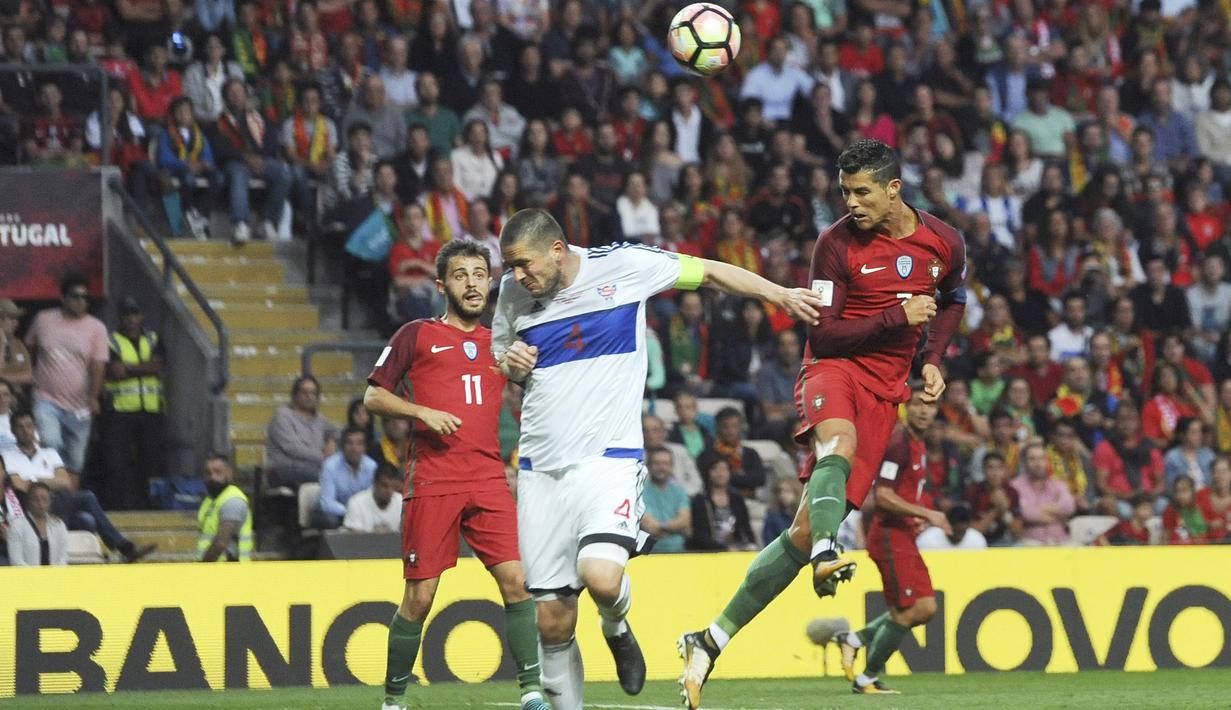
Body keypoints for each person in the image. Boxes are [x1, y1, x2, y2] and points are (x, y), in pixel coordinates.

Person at [493, 207, 821, 709]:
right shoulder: (515, 293)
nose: (517, 276)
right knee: (552, 620)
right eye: (511, 267)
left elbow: (708, 270)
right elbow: (502, 359)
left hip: (609, 460)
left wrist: (778, 293)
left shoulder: (625, 266)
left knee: (602, 578)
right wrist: (510, 363)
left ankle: (616, 623)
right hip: (541, 469)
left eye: (523, 264)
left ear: (557, 250)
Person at [679, 139, 965, 708]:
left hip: (886, 392)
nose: (851, 203)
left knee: (802, 530)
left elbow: (953, 298)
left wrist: (931, 358)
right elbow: (825, 333)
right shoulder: (834, 244)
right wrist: (896, 316)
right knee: (840, 441)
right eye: (843, 192)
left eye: (861, 192)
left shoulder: (944, 241)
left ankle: (709, 638)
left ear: (893, 189)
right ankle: (828, 550)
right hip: (833, 369)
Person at [366, 240, 547, 710]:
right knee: (420, 597)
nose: (472, 283)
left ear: (492, 282)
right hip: (433, 478)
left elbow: (528, 384)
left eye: (480, 274)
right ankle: (393, 700)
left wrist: (525, 371)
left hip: (488, 478)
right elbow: (373, 398)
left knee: (518, 582)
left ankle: (531, 692)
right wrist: (422, 412)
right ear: (442, 284)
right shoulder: (416, 334)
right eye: (462, 275)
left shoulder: (502, 342)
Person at [832, 385, 950, 695]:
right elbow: (882, 496)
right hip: (888, 536)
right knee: (907, 611)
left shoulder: (917, 444)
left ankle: (855, 639)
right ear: (906, 407)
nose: (924, 410)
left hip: (904, 535)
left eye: (931, 405)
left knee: (925, 608)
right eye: (918, 404)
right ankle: (867, 678)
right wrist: (927, 514)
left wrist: (915, 518)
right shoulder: (899, 442)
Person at [3, 411, 155, 562]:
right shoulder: (7, 456)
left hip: (58, 503)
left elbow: (65, 482)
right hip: (32, 507)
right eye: (20, 427)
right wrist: (50, 481)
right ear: (13, 430)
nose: (25, 430)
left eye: (29, 426)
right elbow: (20, 487)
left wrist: (32, 481)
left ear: (35, 427)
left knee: (87, 519)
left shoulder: (49, 453)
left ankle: (104, 557)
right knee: (87, 501)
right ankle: (125, 548)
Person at [24, 274, 109, 474]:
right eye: (76, 296)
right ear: (63, 298)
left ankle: (68, 501)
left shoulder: (96, 328)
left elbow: (98, 366)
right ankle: (47, 497)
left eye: (85, 298)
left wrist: (94, 398)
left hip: (80, 406)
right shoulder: (43, 319)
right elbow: (28, 349)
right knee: (49, 442)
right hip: (46, 398)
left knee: (76, 461)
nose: (81, 302)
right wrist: (30, 377)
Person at [208, 77, 292, 244]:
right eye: (231, 93)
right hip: (233, 163)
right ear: (225, 98)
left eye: (239, 92)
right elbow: (220, 151)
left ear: (246, 95)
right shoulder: (217, 124)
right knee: (238, 174)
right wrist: (246, 158)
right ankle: (240, 223)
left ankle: (266, 221)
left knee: (284, 173)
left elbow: (271, 144)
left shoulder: (259, 119)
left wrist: (260, 158)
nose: (236, 96)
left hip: (260, 162)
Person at [99, 297, 164, 510]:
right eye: (127, 314)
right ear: (120, 317)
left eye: (135, 313)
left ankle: (150, 506)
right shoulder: (111, 341)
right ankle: (117, 507)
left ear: (142, 315)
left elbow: (157, 366)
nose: (131, 319)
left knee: (151, 462)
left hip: (151, 410)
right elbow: (115, 372)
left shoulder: (154, 338)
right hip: (121, 410)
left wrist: (129, 368)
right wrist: (141, 367)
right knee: (117, 463)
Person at [263, 375, 340, 488]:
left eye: (313, 393)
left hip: (313, 467)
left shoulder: (320, 419)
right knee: (329, 476)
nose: (309, 396)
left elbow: (337, 433)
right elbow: (293, 449)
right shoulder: (282, 416)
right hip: (283, 468)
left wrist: (331, 440)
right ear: (295, 395)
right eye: (304, 392)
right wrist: (323, 457)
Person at [1012, 441, 1077, 544]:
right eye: (1032, 459)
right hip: (1031, 542)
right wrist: (1058, 515)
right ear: (1024, 462)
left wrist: (1039, 508)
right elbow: (1027, 513)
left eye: (1041, 458)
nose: (1037, 463)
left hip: (1061, 540)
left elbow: (1069, 507)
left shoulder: (1058, 484)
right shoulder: (1015, 486)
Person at [314, 426, 377, 529]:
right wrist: (352, 512)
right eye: (350, 443)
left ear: (365, 447)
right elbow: (327, 503)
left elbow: (371, 498)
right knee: (331, 520)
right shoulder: (330, 466)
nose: (354, 448)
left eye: (359, 443)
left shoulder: (372, 466)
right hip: (333, 513)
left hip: (361, 514)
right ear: (343, 446)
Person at [696, 407, 767, 498]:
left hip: (750, 500)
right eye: (725, 427)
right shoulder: (707, 455)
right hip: (719, 500)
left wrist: (729, 476)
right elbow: (710, 481)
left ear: (740, 427)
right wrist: (743, 476)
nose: (731, 431)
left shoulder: (750, 453)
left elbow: (760, 479)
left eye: (735, 426)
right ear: (717, 427)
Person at [688, 458, 757, 551]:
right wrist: (724, 548)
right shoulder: (700, 500)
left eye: (724, 469)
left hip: (736, 548)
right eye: (715, 469)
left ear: (729, 473)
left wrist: (751, 544)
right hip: (709, 551)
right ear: (709, 473)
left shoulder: (737, 499)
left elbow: (746, 527)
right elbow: (700, 535)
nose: (720, 473)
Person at [197, 453, 252, 562]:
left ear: (229, 474)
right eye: (208, 473)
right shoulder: (210, 500)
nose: (212, 477)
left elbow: (221, 544)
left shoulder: (233, 500)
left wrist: (203, 568)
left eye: (218, 472)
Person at [962, 451, 1023, 545]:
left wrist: (1005, 511)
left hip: (1002, 539)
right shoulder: (972, 491)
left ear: (1005, 471)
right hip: (978, 541)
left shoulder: (1011, 492)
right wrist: (996, 510)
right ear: (983, 470)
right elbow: (971, 533)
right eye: (990, 468)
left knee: (1019, 545)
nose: (995, 473)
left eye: (999, 468)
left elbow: (1017, 533)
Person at [639, 447, 691, 553]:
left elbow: (685, 522)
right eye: (657, 463)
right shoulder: (640, 490)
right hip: (649, 553)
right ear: (648, 466)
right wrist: (674, 527)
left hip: (678, 552)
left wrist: (660, 526)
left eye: (665, 463)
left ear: (672, 467)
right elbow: (648, 526)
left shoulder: (679, 491)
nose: (661, 467)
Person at [6, 482, 67, 566]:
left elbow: (63, 557)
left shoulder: (58, 524)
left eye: (44, 499)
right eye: (36, 500)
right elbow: (16, 560)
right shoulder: (17, 526)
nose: (41, 504)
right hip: (27, 577)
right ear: (29, 501)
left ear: (50, 501)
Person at [342, 462, 402, 533]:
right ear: (374, 483)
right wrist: (374, 536)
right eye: (384, 486)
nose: (389, 491)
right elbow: (354, 539)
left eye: (393, 486)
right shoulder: (356, 503)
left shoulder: (401, 502)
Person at [916, 503, 987, 550]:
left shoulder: (977, 541)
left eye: (962, 532)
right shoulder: (927, 539)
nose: (959, 536)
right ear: (947, 524)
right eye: (956, 531)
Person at [0, 299, 32, 387]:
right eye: (12, 319)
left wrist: (3, 379)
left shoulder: (18, 344)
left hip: (16, 397)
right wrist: (2, 343)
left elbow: (29, 376)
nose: (16, 323)